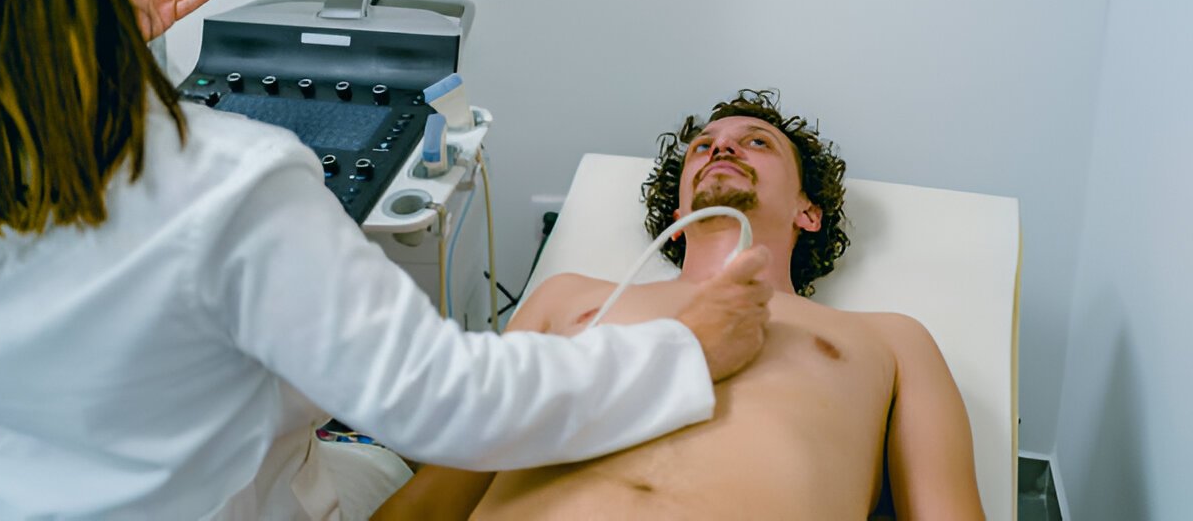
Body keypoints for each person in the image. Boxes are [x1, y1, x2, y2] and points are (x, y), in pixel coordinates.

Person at [0, 0, 773, 520]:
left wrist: (89, 54)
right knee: (389, 459)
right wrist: (685, 352)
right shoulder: (224, 181)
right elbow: (448, 405)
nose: (723, 152)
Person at [375, 89, 986, 521]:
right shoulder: (571, 298)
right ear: (678, 211)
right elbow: (449, 485)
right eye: (704, 147)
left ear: (808, 211)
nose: (723, 150)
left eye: (756, 142)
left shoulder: (891, 341)